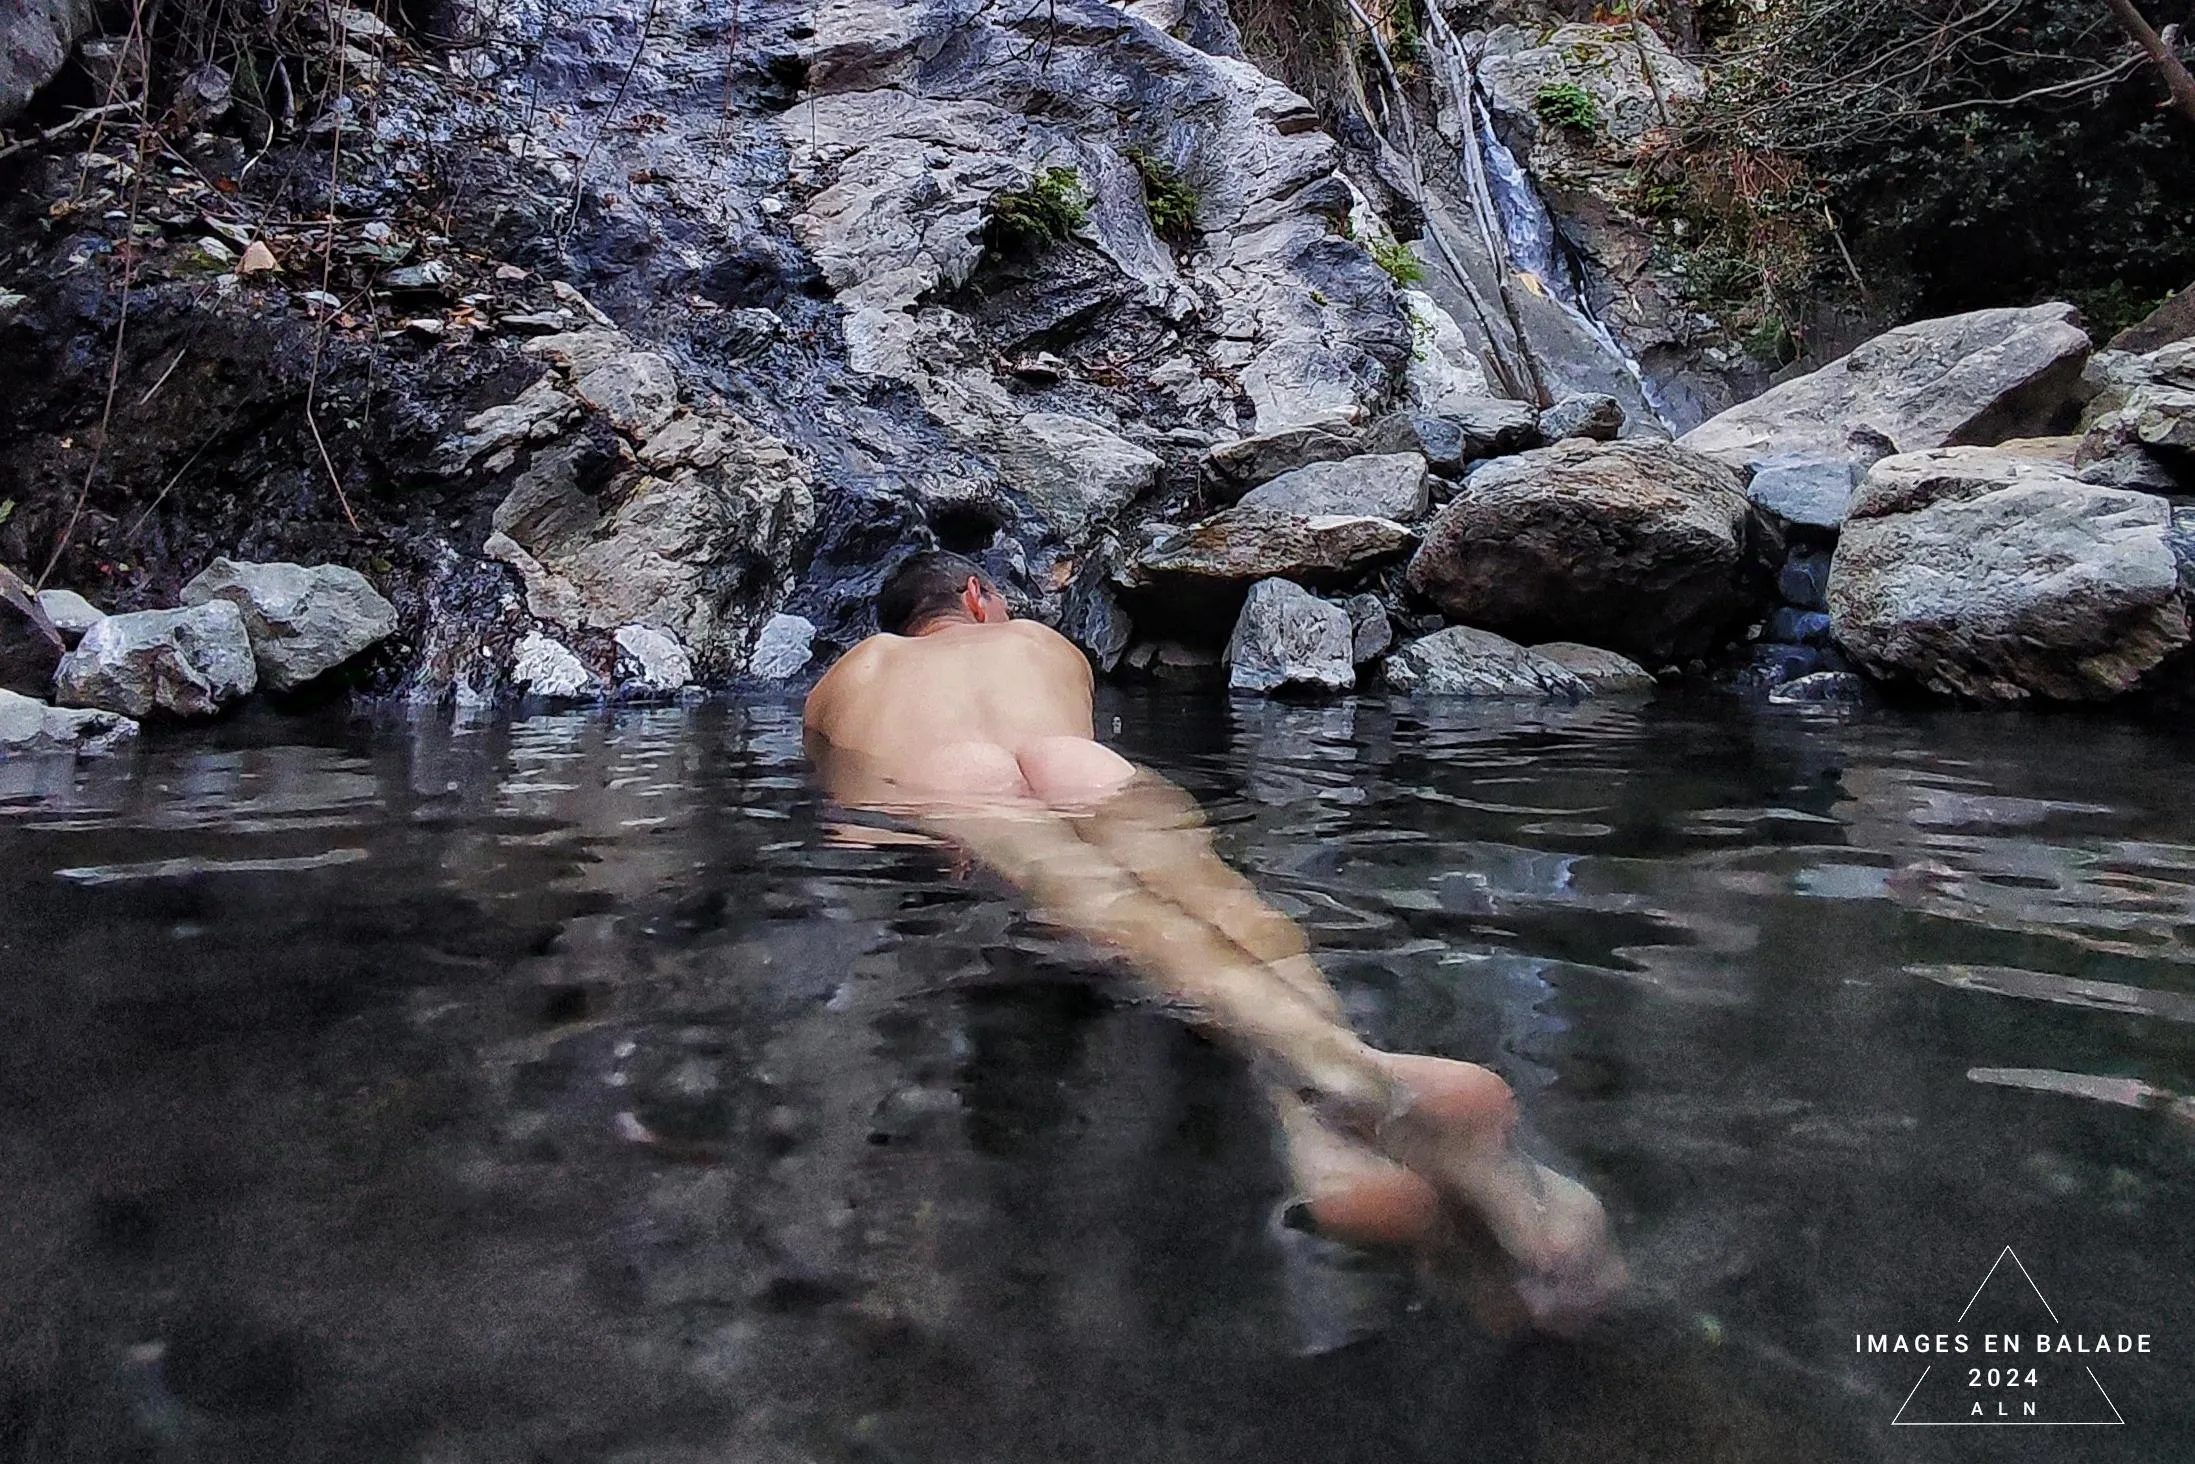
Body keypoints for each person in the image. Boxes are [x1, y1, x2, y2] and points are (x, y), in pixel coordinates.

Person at [803, 550, 1625, 1333]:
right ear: (979, 597)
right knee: (1219, 903)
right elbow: (1046, 745)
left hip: (953, 781)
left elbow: (851, 825)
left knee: (1110, 909)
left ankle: (1338, 1096)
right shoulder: (1037, 643)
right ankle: (1345, 1100)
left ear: (898, 628)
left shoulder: (848, 676)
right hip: (1077, 762)